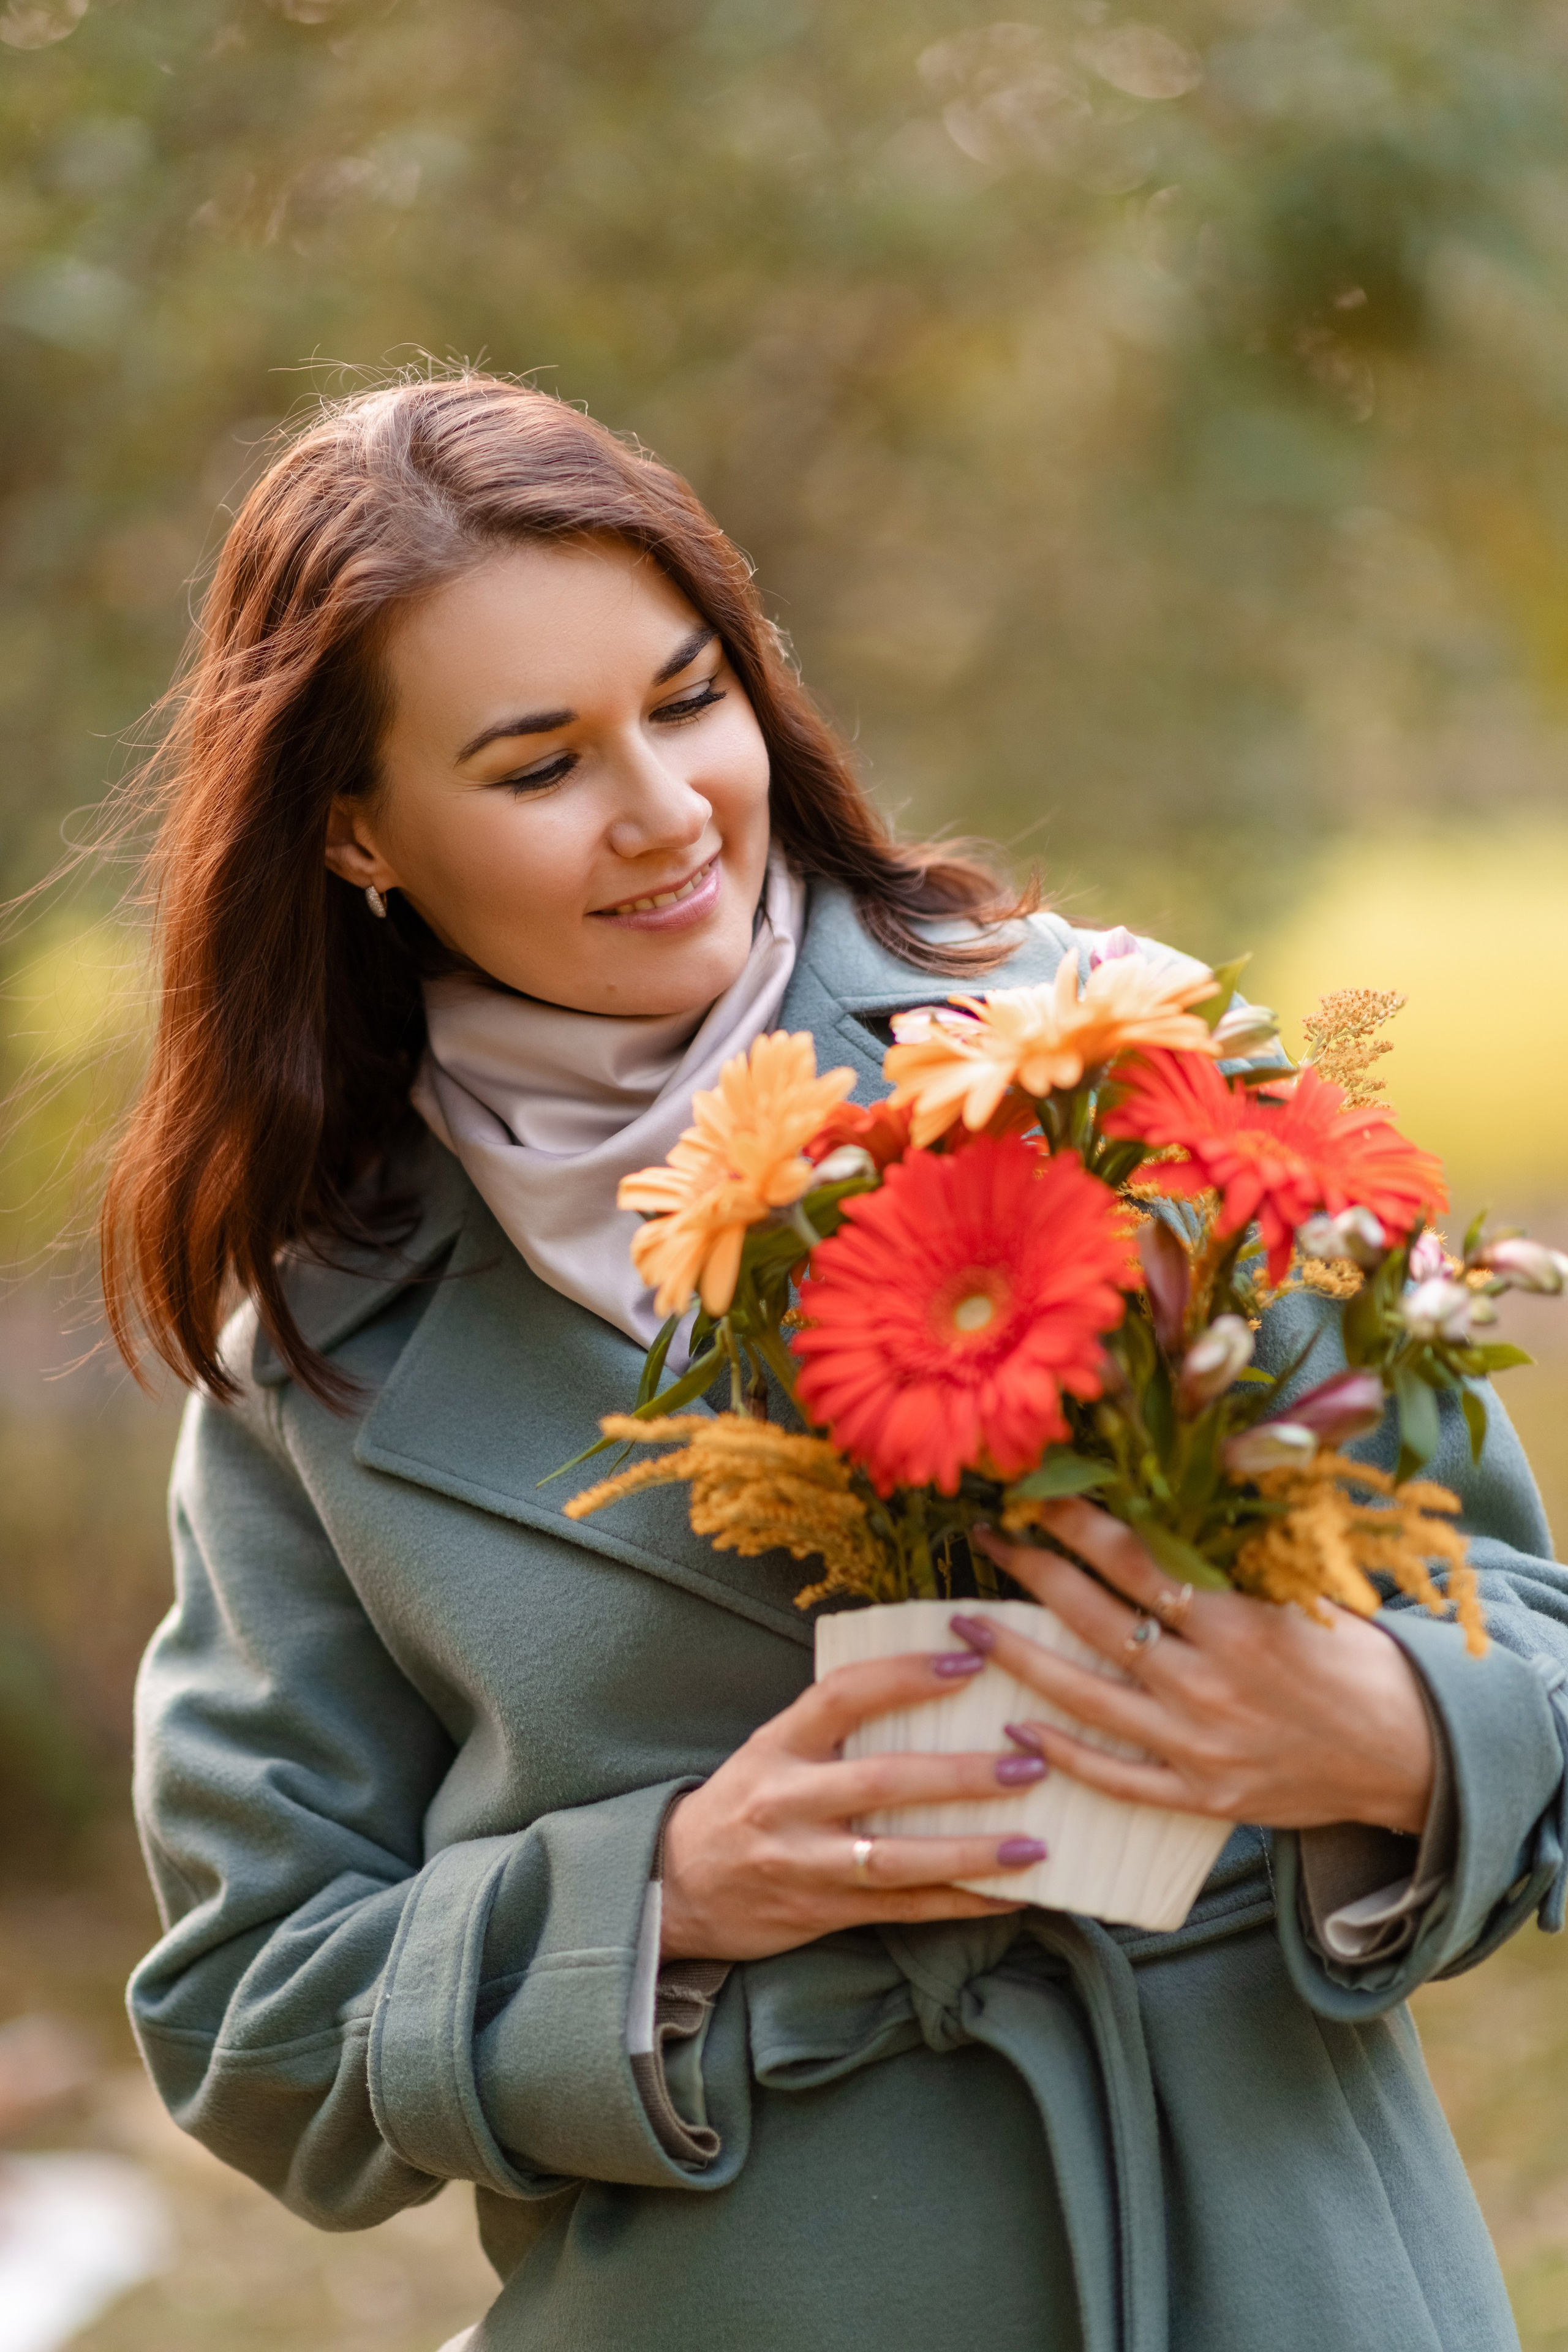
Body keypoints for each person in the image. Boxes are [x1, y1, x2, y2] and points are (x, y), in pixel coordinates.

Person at [110, 374, 1568, 2352]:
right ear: (360, 829)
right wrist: (668, 1893)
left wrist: (1375, 1726)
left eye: (689, 697)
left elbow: (1532, 1636)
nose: (664, 812)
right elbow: (253, 2022)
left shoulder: (1107, 1061)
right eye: (537, 768)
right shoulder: (317, 1346)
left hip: (1276, 2269)